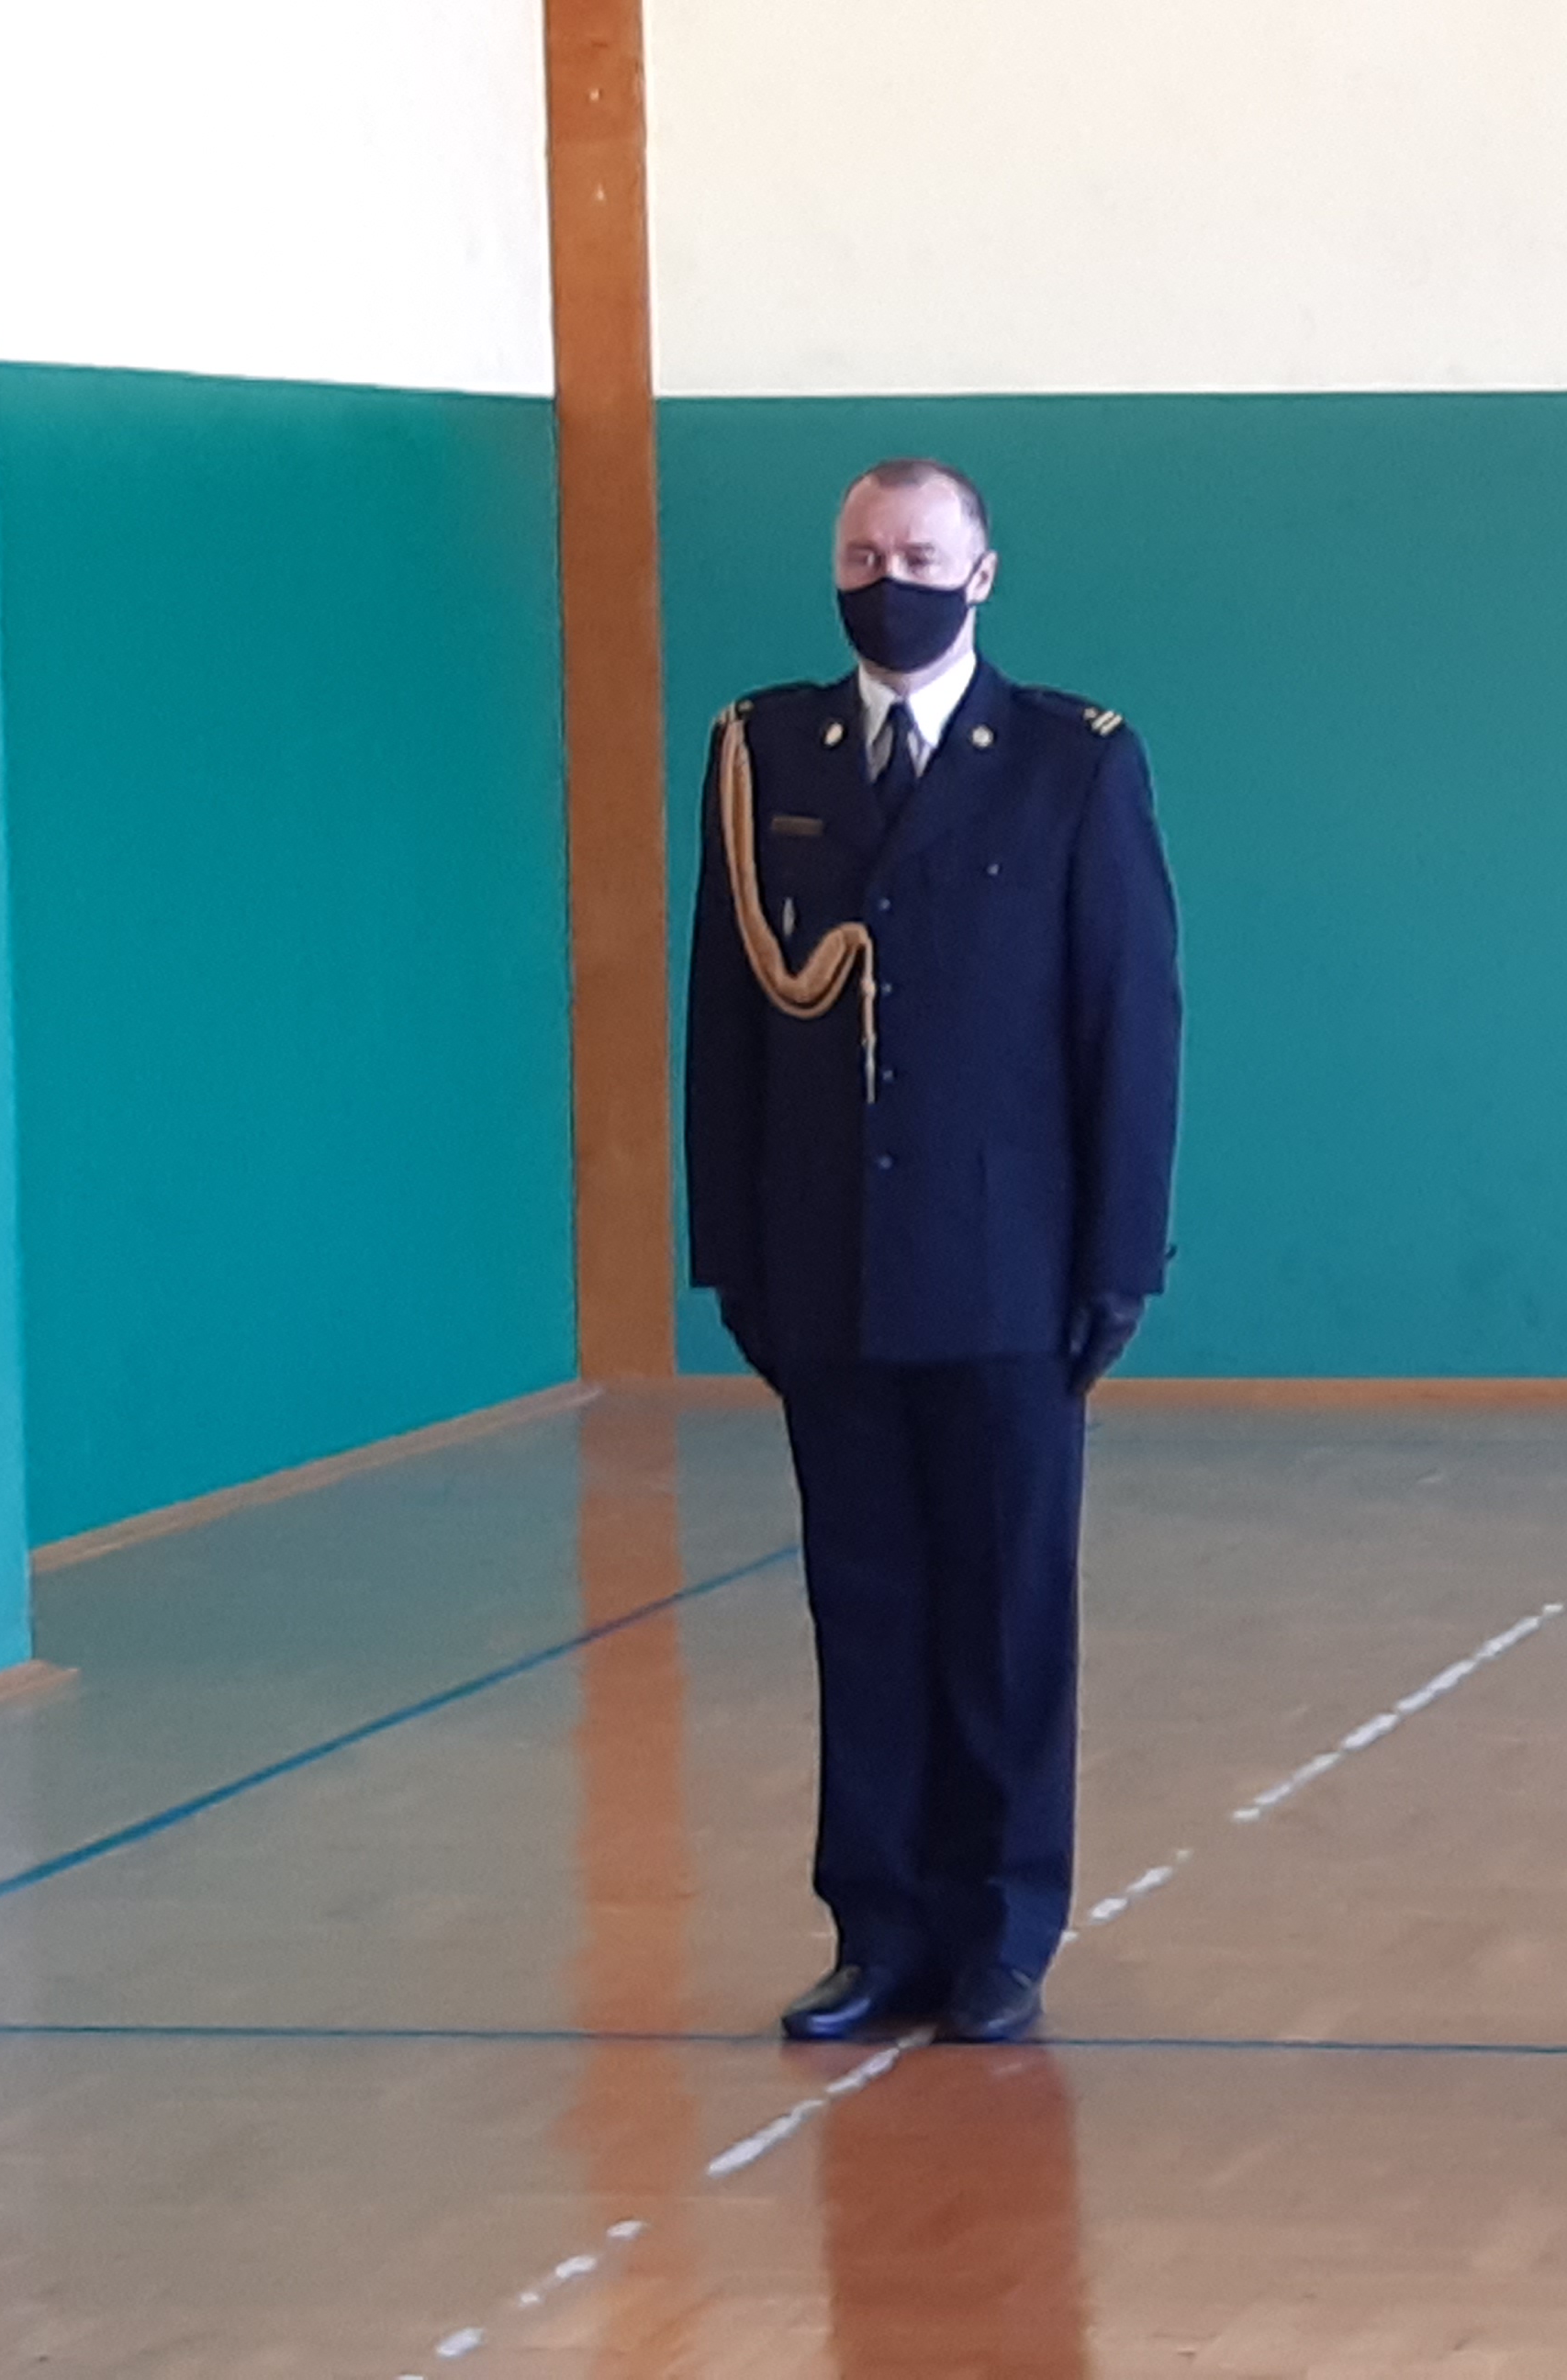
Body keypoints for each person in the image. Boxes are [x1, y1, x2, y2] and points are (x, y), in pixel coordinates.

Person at [686, 457, 1184, 2046]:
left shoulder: (1071, 760)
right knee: (865, 1605)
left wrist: (1119, 1257)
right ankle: (879, 1927)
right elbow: (726, 1020)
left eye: (917, 554)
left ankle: (1002, 1930)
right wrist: (732, 1251)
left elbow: (1129, 1022)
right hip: (827, 1264)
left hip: (1010, 1270)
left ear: (981, 574)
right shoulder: (765, 753)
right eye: (861, 555)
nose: (885, 580)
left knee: (1008, 1612)